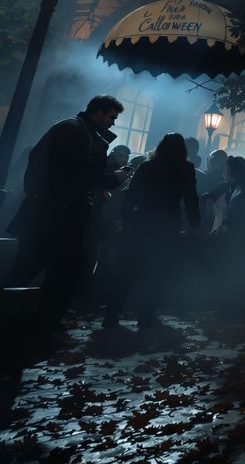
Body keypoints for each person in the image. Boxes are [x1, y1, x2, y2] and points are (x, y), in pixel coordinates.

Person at [4, 95, 128, 345]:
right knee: (59, 273)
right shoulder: (75, 132)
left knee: (35, 269)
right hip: (59, 216)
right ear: (98, 112)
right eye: (112, 117)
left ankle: (29, 323)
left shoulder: (73, 129)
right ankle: (38, 326)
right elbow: (78, 173)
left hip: (52, 214)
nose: (113, 123)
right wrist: (113, 178)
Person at [103, 133, 200, 328]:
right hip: (168, 226)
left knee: (128, 272)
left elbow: (131, 196)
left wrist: (126, 221)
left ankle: (111, 315)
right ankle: (146, 316)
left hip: (141, 224)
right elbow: (191, 199)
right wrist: (195, 225)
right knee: (157, 273)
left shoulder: (148, 166)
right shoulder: (185, 168)